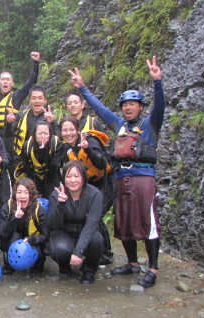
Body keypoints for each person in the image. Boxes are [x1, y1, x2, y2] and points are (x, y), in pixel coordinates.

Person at [69, 56, 165, 288]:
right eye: (124, 105)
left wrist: (157, 82)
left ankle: (152, 268)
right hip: (121, 178)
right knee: (124, 222)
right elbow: (100, 109)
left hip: (143, 178)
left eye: (132, 104)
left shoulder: (150, 125)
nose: (128, 108)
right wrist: (82, 87)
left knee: (148, 222)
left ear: (140, 107)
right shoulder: (119, 125)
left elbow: (160, 106)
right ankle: (132, 263)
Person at [59, 116, 114, 264]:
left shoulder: (90, 141)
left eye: (71, 130)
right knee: (86, 215)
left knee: (97, 215)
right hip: (88, 185)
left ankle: (106, 254)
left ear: (77, 130)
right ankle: (89, 249)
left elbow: (102, 163)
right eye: (65, 130)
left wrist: (87, 149)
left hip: (106, 182)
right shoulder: (66, 149)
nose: (68, 133)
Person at [48, 161, 104, 284]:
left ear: (83, 177)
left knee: (97, 240)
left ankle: (89, 271)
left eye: (77, 176)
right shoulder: (56, 194)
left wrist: (78, 252)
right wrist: (60, 205)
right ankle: (64, 266)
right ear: (64, 178)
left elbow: (91, 225)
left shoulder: (94, 194)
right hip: (64, 234)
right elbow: (52, 225)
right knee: (58, 247)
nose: (72, 180)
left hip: (86, 233)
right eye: (68, 176)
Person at [0, 178, 49, 274]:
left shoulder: (38, 209)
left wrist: (32, 239)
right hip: (13, 241)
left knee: (37, 267)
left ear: (31, 194)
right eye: (19, 192)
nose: (22, 196)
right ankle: (10, 264)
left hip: (31, 242)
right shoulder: (7, 207)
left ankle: (37, 261)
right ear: (15, 194)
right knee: (14, 236)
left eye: (26, 192)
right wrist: (15, 219)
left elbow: (46, 235)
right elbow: (2, 234)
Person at [16, 120, 63, 200]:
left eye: (46, 133)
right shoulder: (27, 146)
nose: (42, 136)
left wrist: (45, 150)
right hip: (34, 177)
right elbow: (26, 167)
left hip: (52, 177)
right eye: (39, 133)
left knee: (53, 199)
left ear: (50, 134)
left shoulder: (56, 144)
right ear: (34, 134)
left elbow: (54, 167)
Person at [11, 87, 59, 160]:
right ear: (30, 101)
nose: (37, 101)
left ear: (45, 100)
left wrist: (52, 122)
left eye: (40, 98)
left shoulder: (50, 118)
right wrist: (9, 123)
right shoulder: (21, 116)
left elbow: (58, 138)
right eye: (34, 98)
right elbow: (8, 134)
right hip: (22, 156)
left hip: (43, 157)